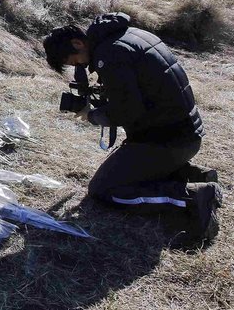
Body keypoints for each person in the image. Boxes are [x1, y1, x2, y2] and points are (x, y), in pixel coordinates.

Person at [43, 13, 223, 243]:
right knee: (125, 170)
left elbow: (127, 111)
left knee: (104, 189)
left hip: (166, 140)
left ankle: (193, 196)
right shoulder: (129, 35)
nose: (80, 66)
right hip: (183, 133)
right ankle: (193, 174)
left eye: (75, 61)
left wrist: (93, 115)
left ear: (78, 43)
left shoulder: (110, 55)